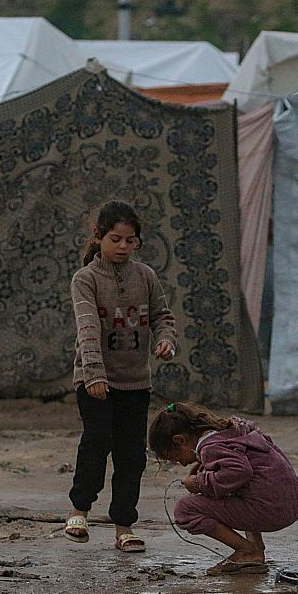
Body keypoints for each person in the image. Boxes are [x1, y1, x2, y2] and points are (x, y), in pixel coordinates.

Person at [65, 201, 177, 552]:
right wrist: (95, 375)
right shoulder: (85, 280)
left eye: (131, 241)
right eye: (116, 239)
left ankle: (124, 526)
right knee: (97, 443)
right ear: (98, 237)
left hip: (135, 382)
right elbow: (87, 329)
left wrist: (164, 340)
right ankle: (79, 510)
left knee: (132, 455)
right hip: (95, 382)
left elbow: (162, 315)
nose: (123, 247)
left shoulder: (145, 276)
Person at [148, 403, 298, 575]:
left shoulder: (209, 447)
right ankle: (255, 547)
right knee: (242, 487)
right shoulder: (233, 432)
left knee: (185, 510)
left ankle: (247, 551)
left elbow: (240, 471)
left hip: (271, 510)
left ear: (180, 440)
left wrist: (200, 483)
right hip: (290, 502)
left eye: (174, 456)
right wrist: (208, 472)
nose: (177, 462)